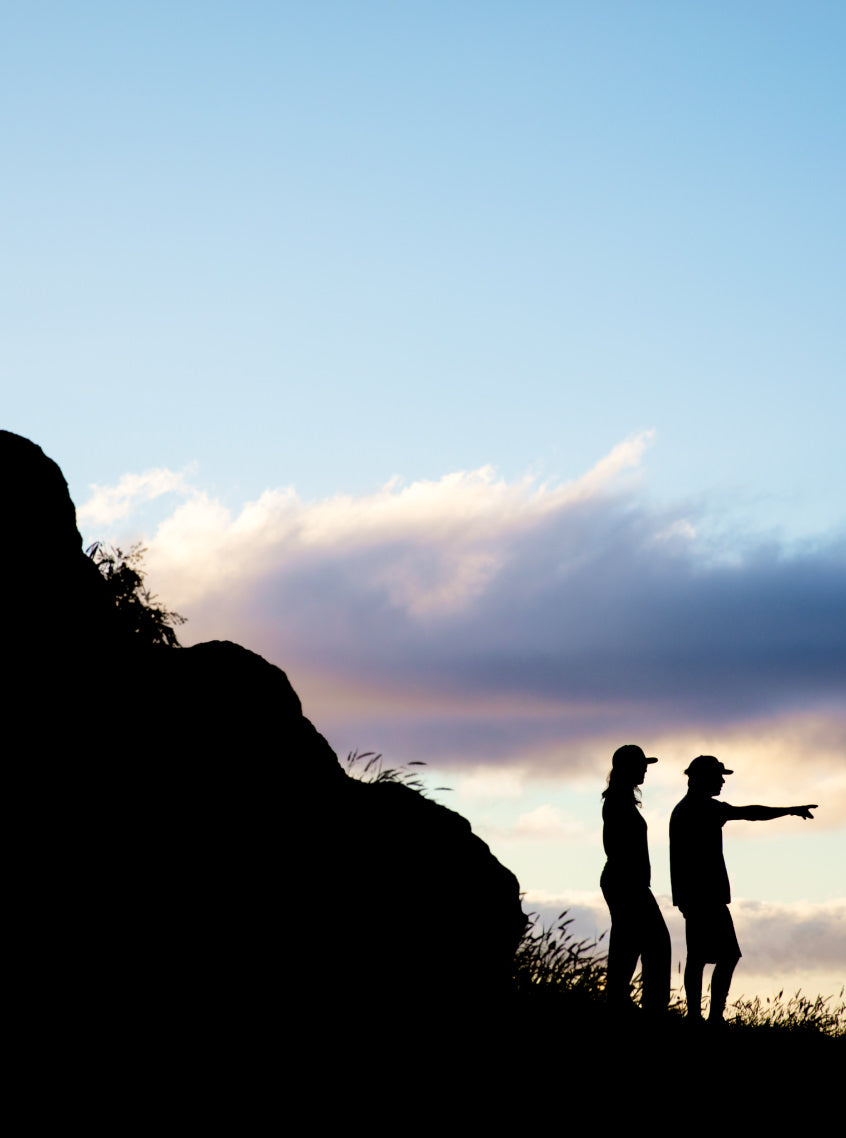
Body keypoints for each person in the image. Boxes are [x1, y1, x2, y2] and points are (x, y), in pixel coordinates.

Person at [670, 755, 817, 1024]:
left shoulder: (687, 808)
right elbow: (750, 813)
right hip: (705, 897)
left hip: (695, 896)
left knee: (702, 955)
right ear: (702, 778)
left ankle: (700, 1016)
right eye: (718, 776)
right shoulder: (700, 808)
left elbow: (747, 813)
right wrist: (789, 809)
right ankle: (709, 1017)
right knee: (722, 955)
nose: (723, 781)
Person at [600, 744, 671, 1016]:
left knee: (629, 942)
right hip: (626, 881)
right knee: (655, 943)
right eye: (641, 764)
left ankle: (621, 1001)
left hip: (627, 881)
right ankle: (651, 1008)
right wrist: (633, 878)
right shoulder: (618, 800)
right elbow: (616, 845)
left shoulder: (621, 798)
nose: (645, 769)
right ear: (627, 768)